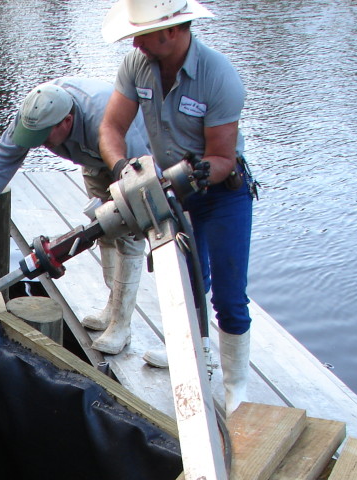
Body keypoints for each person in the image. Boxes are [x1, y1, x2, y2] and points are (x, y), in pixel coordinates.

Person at [98, 0, 258, 413]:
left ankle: (236, 387)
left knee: (228, 293)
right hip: (170, 191)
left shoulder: (218, 77)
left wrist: (195, 172)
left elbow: (222, 159)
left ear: (170, 31)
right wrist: (123, 170)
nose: (134, 41)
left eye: (142, 32)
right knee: (185, 284)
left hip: (222, 193)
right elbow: (111, 127)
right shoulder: (137, 65)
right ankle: (188, 355)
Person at [0, 77, 151, 355]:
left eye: (44, 136)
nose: (39, 143)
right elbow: (6, 155)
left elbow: (142, 172)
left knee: (126, 235)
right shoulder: (34, 113)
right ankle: (111, 308)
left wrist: (134, 204)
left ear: (66, 121)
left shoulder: (104, 116)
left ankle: (121, 325)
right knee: (105, 231)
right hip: (93, 159)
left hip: (130, 158)